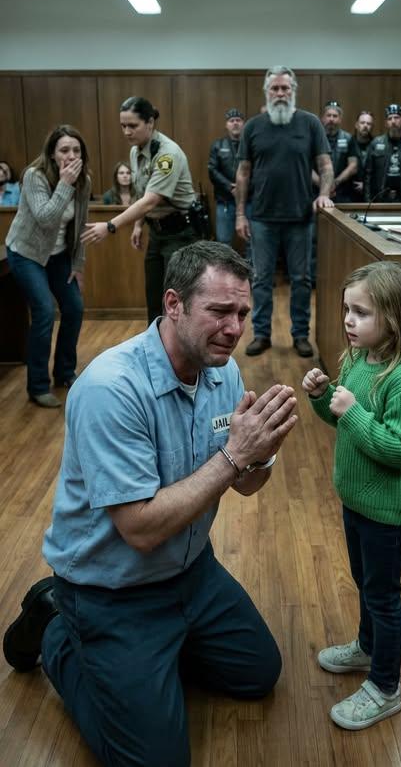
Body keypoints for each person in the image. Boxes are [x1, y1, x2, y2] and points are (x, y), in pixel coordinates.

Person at [3, 241, 298, 767]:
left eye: (242, 313)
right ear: (173, 304)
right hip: (111, 592)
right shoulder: (111, 388)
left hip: (192, 573)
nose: (234, 328)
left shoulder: (222, 371)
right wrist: (236, 454)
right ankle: (55, 629)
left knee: (258, 674)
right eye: (219, 311)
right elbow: (139, 529)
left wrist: (260, 454)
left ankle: (156, 652)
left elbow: (245, 485)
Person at [302, 261, 401, 731]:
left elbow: (399, 449)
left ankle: (385, 685)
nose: (348, 320)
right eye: (347, 309)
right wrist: (324, 397)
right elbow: (344, 421)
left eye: (361, 312)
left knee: (382, 596)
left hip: (388, 513)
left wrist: (353, 411)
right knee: (365, 582)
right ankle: (367, 646)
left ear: (395, 319)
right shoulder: (359, 360)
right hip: (358, 502)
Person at [235, 65, 334, 358]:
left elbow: (326, 166)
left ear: (293, 91)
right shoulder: (252, 127)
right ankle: (261, 334)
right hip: (262, 218)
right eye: (275, 88)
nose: (280, 93)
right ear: (267, 92)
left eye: (285, 88)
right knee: (261, 279)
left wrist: (323, 194)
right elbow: (243, 173)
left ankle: (301, 335)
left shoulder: (310, 123)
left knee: (301, 280)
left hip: (300, 218)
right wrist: (240, 214)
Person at [81, 96, 198, 323]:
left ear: (150, 123)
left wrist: (110, 226)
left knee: (176, 300)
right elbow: (142, 191)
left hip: (180, 233)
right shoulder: (136, 151)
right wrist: (138, 224)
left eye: (132, 125)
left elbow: (151, 200)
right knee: (154, 297)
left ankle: (179, 344)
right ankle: (155, 342)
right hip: (157, 232)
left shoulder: (167, 154)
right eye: (123, 126)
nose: (126, 132)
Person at [5, 126, 90, 408]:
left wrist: (77, 264)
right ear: (52, 154)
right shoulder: (34, 176)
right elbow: (45, 218)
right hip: (26, 253)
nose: (71, 156)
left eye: (76, 150)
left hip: (59, 255)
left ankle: (65, 372)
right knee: (43, 311)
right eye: (64, 150)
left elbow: (80, 225)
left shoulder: (84, 180)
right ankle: (38, 386)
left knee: (74, 307)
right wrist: (65, 183)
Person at [208, 108, 251, 257]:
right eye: (231, 121)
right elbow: (212, 171)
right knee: (223, 243)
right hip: (225, 201)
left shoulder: (251, 145)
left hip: (249, 201)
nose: (235, 123)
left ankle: (251, 271)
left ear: (244, 124)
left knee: (252, 241)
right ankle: (225, 271)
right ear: (226, 125)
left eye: (238, 120)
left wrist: (243, 188)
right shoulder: (217, 145)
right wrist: (230, 187)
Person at [313, 101, 359, 203]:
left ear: (340, 119)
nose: (331, 119)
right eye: (328, 115)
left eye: (335, 116)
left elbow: (353, 166)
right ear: (323, 118)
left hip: (342, 194)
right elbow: (307, 166)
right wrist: (324, 185)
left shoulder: (348, 138)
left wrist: (336, 182)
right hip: (317, 193)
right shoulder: (314, 138)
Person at [350, 111, 375, 201]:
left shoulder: (377, 144)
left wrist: (366, 185)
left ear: (372, 127)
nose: (365, 126)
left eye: (368, 123)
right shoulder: (348, 142)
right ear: (356, 125)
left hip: (371, 193)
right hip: (349, 193)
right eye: (362, 123)